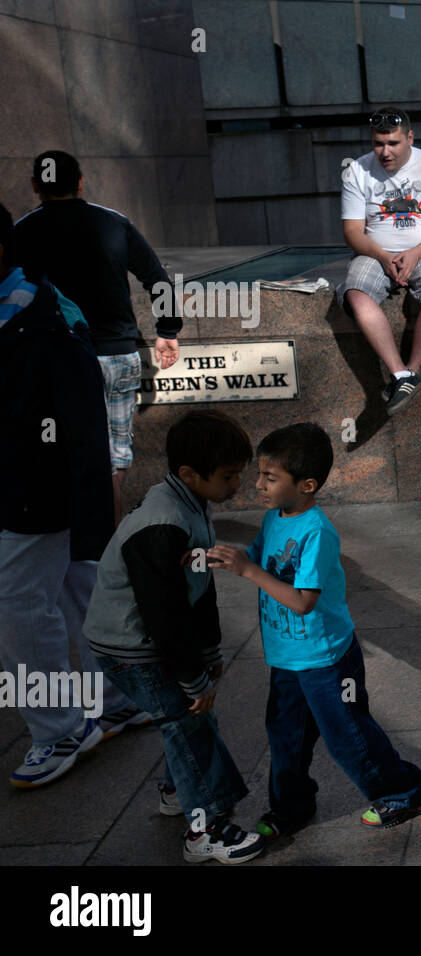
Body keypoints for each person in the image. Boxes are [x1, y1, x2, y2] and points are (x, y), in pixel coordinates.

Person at [207, 424, 421, 835]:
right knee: (285, 736)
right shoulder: (275, 517)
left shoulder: (318, 532)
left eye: (269, 478)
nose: (257, 485)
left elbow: (302, 600)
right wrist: (220, 558)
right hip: (287, 656)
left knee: (347, 734)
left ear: (307, 485)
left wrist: (250, 570)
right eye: (259, 474)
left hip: (326, 659)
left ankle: (403, 790)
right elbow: (257, 557)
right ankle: (291, 809)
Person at [0, 203, 147, 789]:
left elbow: (71, 416)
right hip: (41, 482)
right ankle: (115, 698)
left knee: (17, 607)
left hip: (34, 487)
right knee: (73, 587)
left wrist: (77, 489)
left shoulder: (35, 317)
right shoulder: (33, 306)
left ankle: (61, 728)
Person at [83, 411, 264, 863]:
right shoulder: (164, 523)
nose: (236, 486)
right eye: (228, 477)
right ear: (189, 473)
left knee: (186, 721)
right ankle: (205, 830)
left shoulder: (190, 501)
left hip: (149, 642)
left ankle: (174, 790)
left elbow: (197, 586)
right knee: (189, 721)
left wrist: (208, 651)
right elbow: (163, 614)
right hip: (132, 649)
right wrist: (193, 679)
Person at [15, 150, 179, 526]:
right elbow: (157, 278)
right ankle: (110, 546)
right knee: (115, 459)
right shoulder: (113, 223)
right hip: (118, 356)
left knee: (61, 452)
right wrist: (167, 331)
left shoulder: (23, 231)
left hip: (58, 359)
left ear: (36, 186)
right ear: (81, 181)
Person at [340, 107, 421, 414]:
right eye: (378, 143)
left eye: (393, 143)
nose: (385, 152)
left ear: (409, 138)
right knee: (356, 294)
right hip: (375, 251)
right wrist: (383, 256)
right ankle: (400, 373)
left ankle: (412, 368)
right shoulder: (357, 170)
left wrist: (414, 254)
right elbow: (352, 231)